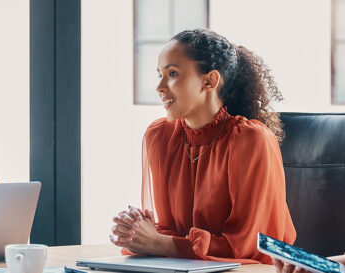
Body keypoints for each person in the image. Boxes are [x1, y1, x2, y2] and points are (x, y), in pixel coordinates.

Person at [110, 29, 296, 264]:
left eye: (173, 73)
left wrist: (159, 242)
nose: (159, 86)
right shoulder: (159, 137)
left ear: (209, 80)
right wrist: (135, 230)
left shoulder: (250, 139)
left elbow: (248, 245)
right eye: (159, 74)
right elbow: (169, 231)